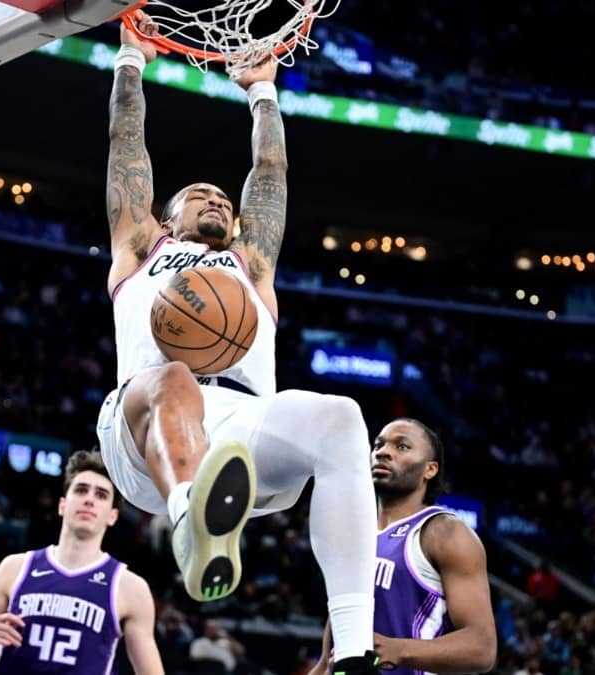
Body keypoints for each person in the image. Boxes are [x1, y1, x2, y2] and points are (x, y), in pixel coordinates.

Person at [97, 14, 379, 673]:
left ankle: (357, 653)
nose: (218, 202)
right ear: (168, 216)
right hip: (147, 422)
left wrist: (262, 92)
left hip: (244, 425)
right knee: (174, 379)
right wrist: (131, 62)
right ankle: (186, 518)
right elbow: (126, 143)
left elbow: (270, 169)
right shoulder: (142, 248)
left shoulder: (250, 266)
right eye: (201, 197)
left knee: (343, 418)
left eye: (224, 200)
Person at [0, 450, 163, 674]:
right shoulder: (15, 568)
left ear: (112, 516)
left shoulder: (129, 587)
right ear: (62, 505)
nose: (89, 499)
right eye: (81, 490)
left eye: (101, 495)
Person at [310, 419, 497, 674]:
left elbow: (482, 648)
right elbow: (325, 662)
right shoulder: (355, 536)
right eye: (379, 445)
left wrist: (399, 649)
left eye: (402, 446)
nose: (383, 452)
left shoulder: (444, 532)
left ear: (429, 470)